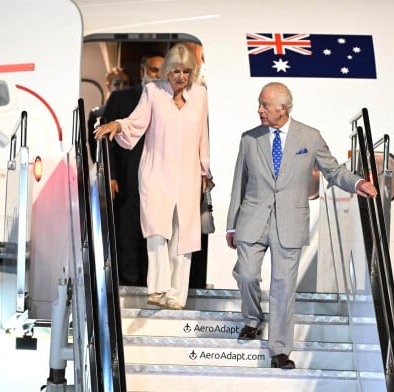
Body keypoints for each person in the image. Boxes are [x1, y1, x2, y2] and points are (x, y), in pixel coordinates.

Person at [226, 82, 377, 369]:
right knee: (246, 274)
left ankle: (280, 350)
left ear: (282, 108)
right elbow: (239, 185)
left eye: (265, 105)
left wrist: (357, 182)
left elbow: (333, 170)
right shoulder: (249, 139)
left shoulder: (310, 136)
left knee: (283, 288)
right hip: (252, 220)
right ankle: (252, 319)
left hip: (291, 223)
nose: (259, 109)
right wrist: (232, 225)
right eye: (259, 104)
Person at [94, 43, 213, 310]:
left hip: (189, 175)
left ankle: (175, 295)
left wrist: (206, 170)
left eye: (185, 71)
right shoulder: (153, 92)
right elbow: (136, 121)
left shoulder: (201, 95)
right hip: (155, 171)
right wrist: (116, 124)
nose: (180, 76)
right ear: (166, 72)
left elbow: (203, 135)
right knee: (157, 231)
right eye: (174, 71)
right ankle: (158, 289)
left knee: (184, 235)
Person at [103, 52, 165, 287]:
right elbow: (105, 141)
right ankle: (127, 285)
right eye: (153, 70)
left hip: (159, 182)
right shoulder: (121, 98)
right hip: (127, 180)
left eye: (162, 70)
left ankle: (152, 286)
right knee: (127, 236)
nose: (158, 75)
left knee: (155, 237)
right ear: (142, 72)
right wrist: (110, 175)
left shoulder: (171, 101)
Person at [87, 66, 130, 161]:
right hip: (107, 166)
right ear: (108, 85)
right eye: (117, 84)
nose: (122, 87)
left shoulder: (134, 113)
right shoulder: (97, 114)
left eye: (125, 83)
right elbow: (95, 149)